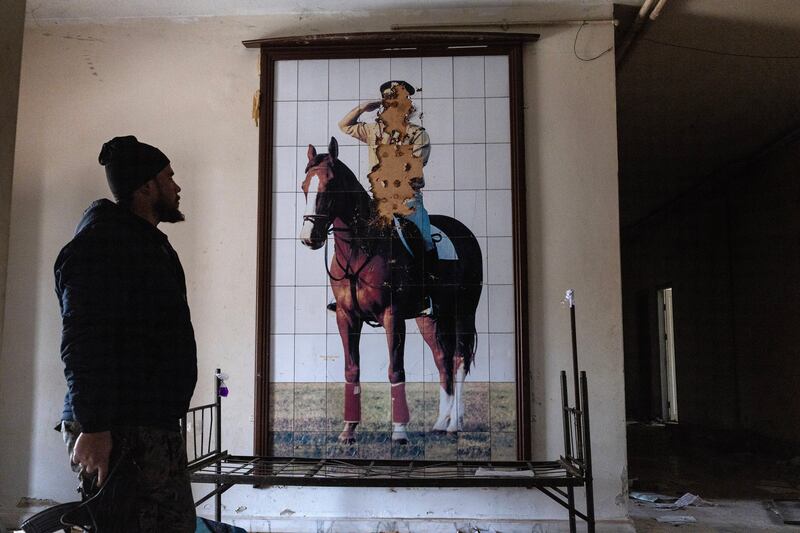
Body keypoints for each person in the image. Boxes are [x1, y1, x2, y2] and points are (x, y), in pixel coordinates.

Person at [54, 135, 197, 531]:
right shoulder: (100, 246)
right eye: (169, 176)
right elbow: (82, 340)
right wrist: (96, 427)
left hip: (150, 423)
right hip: (118, 426)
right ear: (145, 186)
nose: (177, 185)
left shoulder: (148, 245)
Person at [338, 80, 438, 314]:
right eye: (386, 99)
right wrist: (363, 107)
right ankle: (351, 295)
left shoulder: (418, 135)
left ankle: (427, 296)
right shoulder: (373, 131)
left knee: (423, 240)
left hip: (406, 202)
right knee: (352, 237)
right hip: (378, 202)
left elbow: (412, 169)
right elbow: (344, 125)